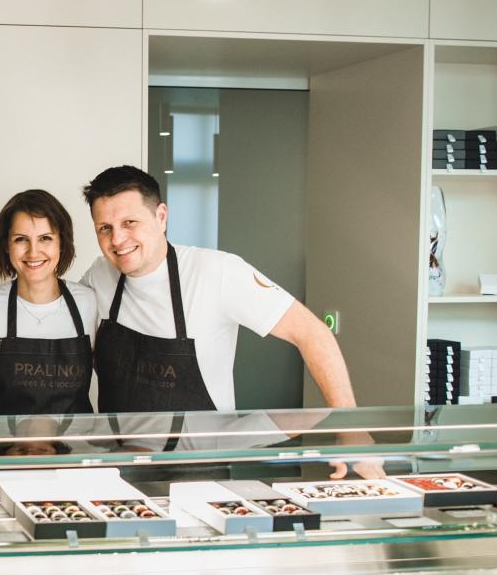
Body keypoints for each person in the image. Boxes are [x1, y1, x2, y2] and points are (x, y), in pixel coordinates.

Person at [80, 164, 359, 414]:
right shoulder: (98, 276)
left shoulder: (217, 271)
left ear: (161, 217)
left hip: (203, 454)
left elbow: (311, 332)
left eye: (129, 223)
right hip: (118, 454)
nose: (117, 239)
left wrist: (350, 429)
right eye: (105, 228)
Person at [0, 189, 99, 415]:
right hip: (2, 438)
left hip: (76, 438)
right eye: (21, 239)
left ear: (61, 243)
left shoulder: (90, 302)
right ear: (7, 245)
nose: (33, 252)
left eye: (45, 238)